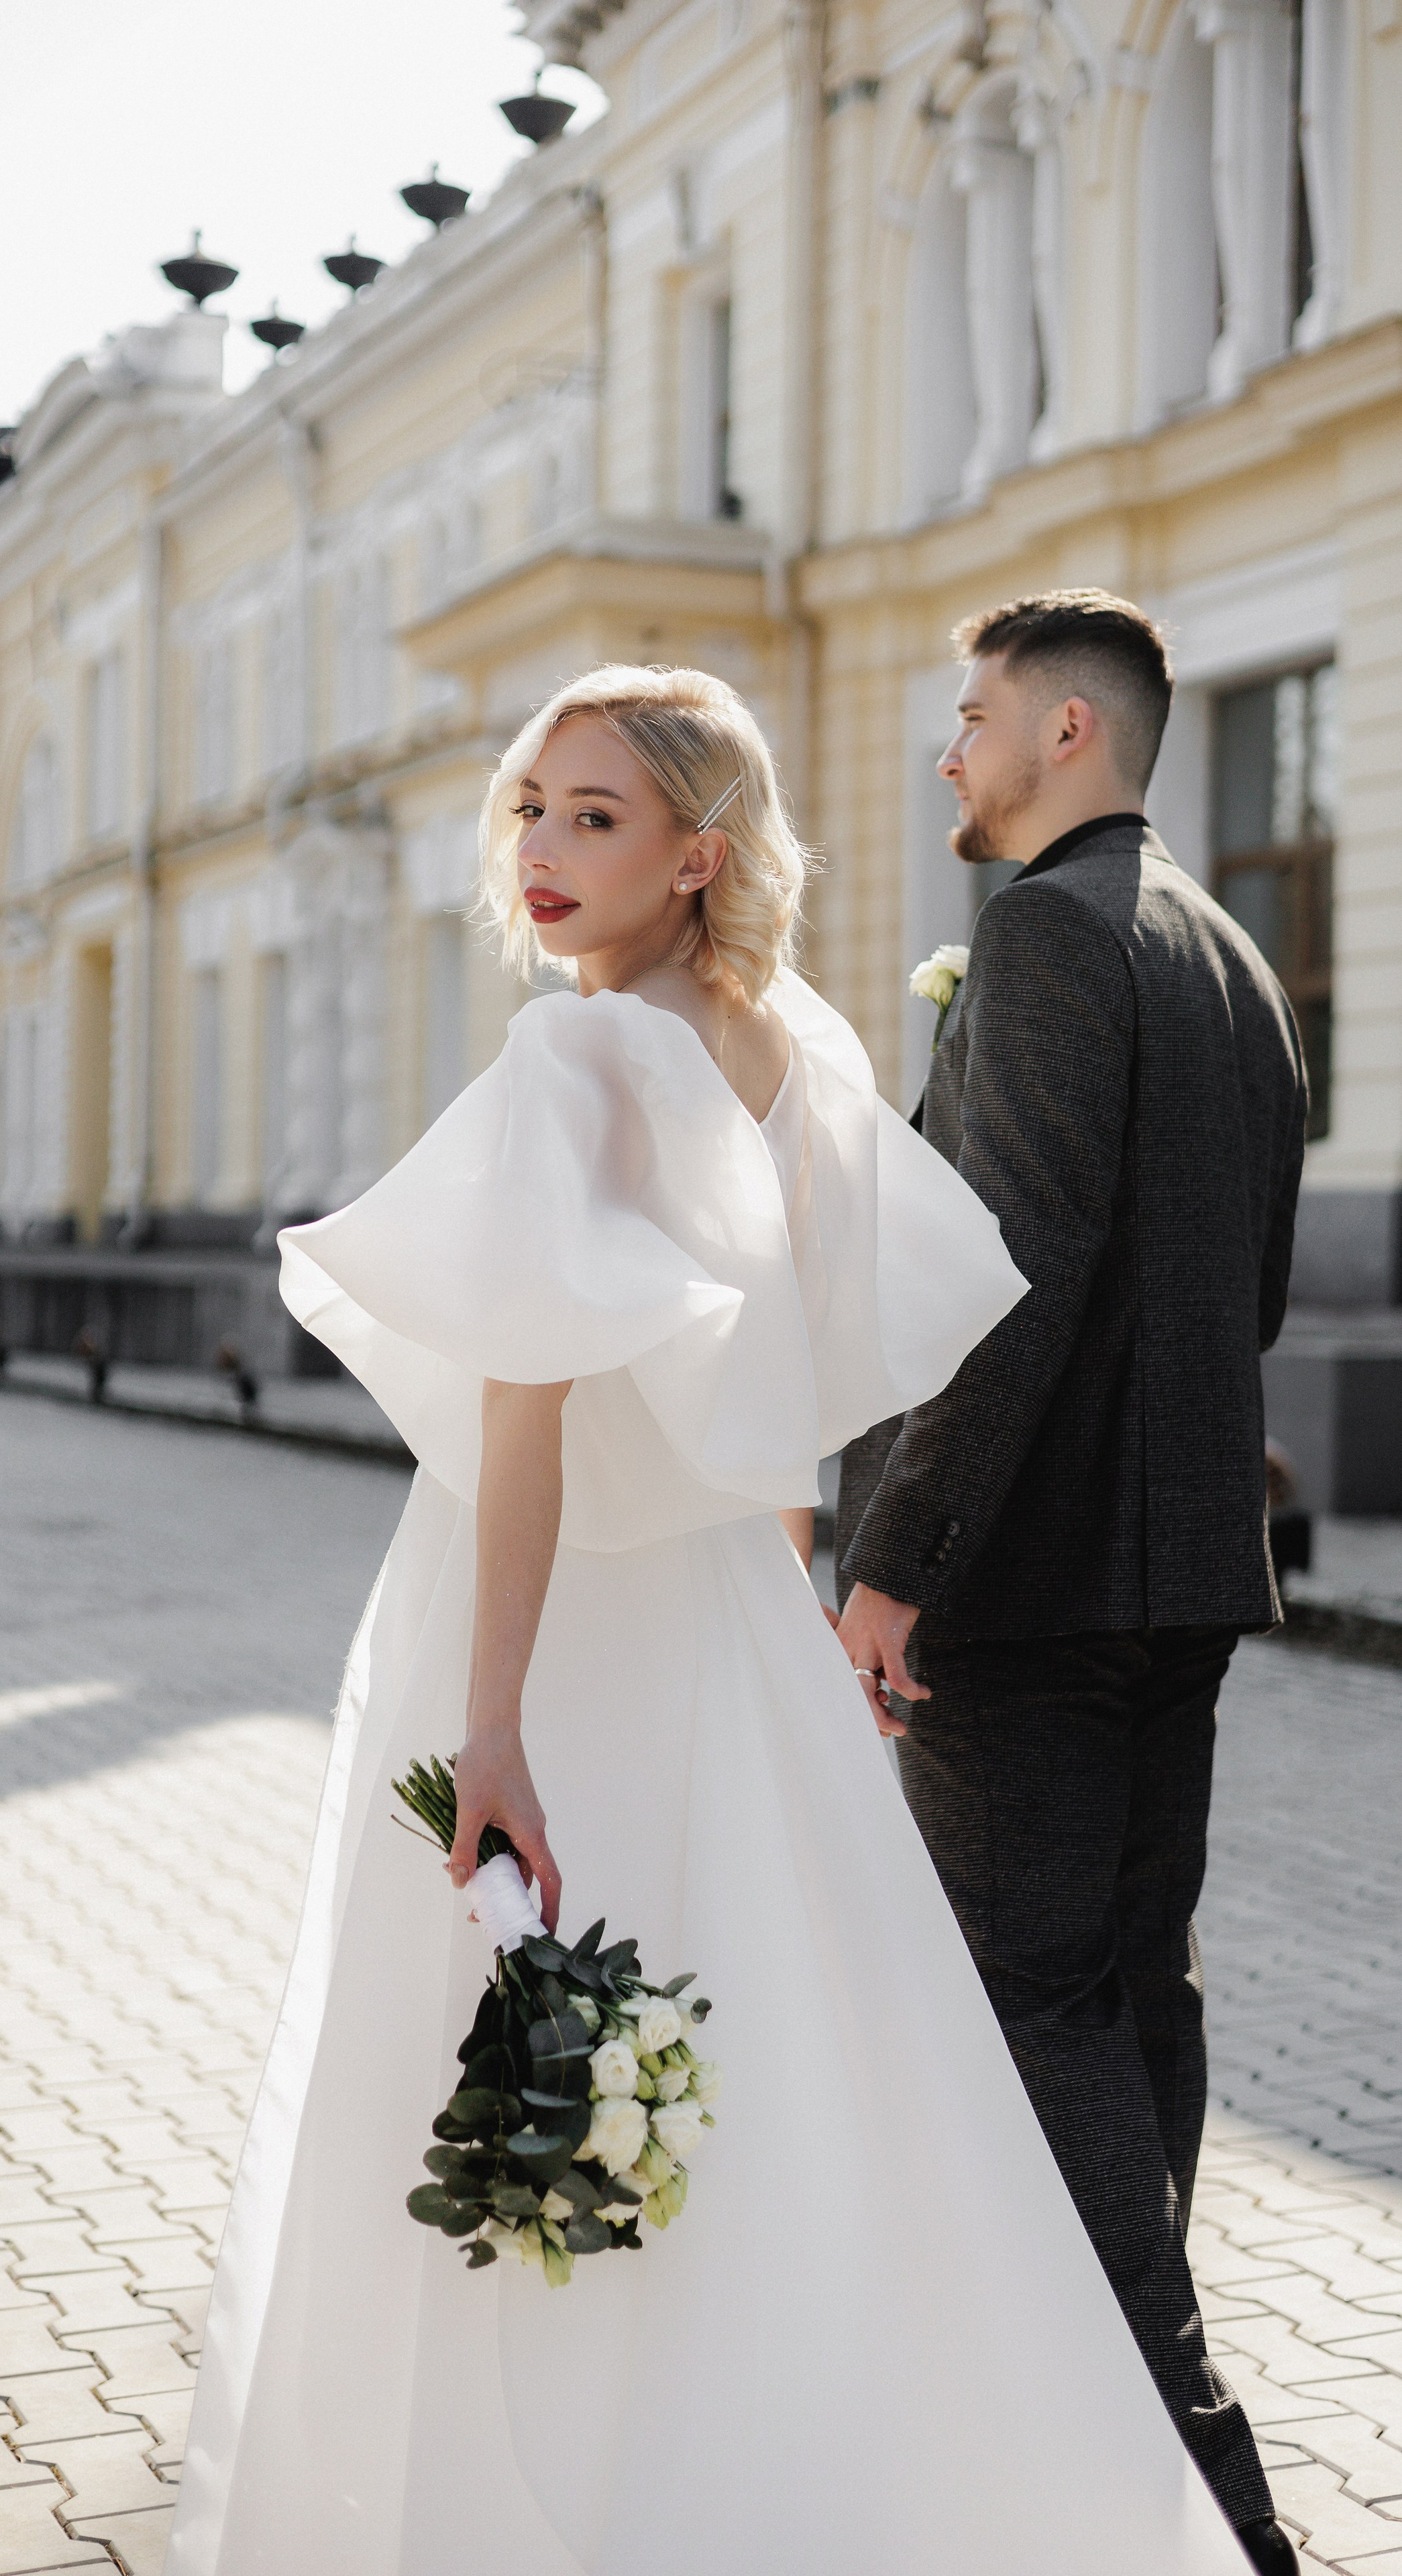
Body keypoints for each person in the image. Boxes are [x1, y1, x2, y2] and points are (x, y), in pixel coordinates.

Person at [166, 662, 1259, 2576]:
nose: (546, 852)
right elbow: (804, 1386)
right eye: (533, 808)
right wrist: (803, 1596)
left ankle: (564, 2498)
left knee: (536, 2049)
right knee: (761, 2063)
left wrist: (490, 1719)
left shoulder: (578, 1059)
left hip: (569, 1619)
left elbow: (530, 1419)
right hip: (737, 1617)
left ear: (700, 853)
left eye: (600, 816)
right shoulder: (787, 1042)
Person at [836, 590, 1309, 2576]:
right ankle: (1110, 2443)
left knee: (1032, 2008)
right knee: (1133, 1986)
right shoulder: (1227, 953)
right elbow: (1254, 1289)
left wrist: (897, 1562)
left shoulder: (1042, 934)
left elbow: (996, 1290)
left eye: (973, 720)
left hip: (1026, 1589)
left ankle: (1201, 2494)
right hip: (1187, 1572)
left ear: (1068, 741)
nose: (949, 752)